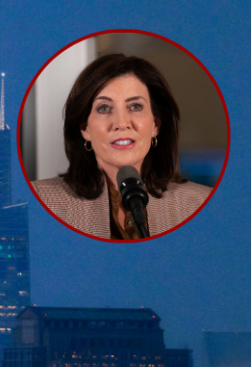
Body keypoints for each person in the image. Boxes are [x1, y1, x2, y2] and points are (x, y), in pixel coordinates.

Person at [32, 53, 211, 240]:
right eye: (104, 108)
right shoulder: (40, 202)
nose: (121, 122)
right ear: (85, 129)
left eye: (135, 106)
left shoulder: (199, 203)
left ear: (155, 125)